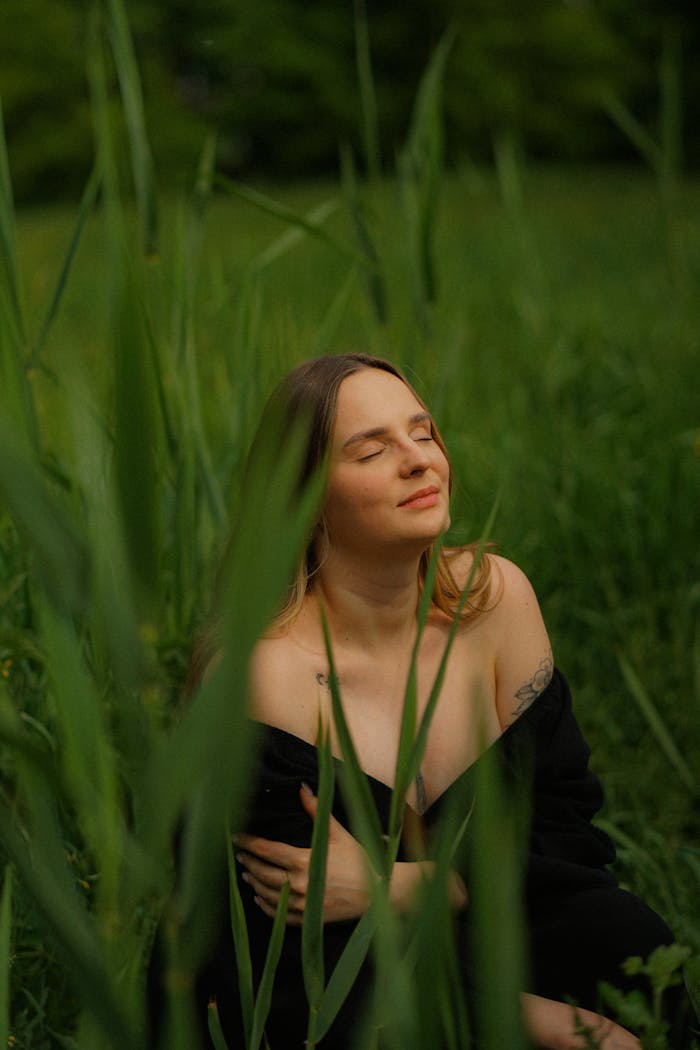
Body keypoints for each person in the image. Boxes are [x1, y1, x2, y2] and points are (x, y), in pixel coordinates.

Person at [189, 353, 690, 1049]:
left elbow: (567, 832)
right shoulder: (265, 675)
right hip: (333, 985)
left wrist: (407, 886)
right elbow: (288, 944)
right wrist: (551, 1026)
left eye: (423, 435)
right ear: (304, 499)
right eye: (371, 449)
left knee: (627, 943)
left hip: (486, 916)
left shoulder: (495, 599)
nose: (417, 460)